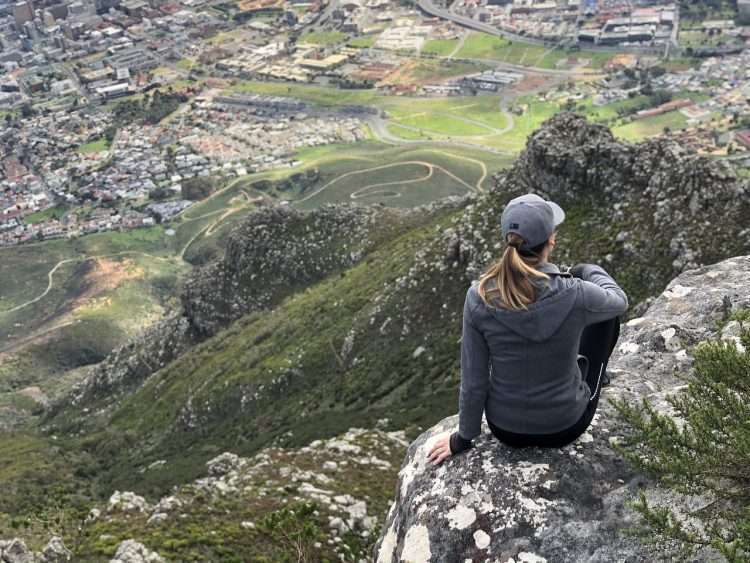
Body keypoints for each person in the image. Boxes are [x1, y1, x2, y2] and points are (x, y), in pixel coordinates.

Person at [427, 194, 628, 466]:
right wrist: (586, 270)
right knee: (606, 317)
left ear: (507, 240)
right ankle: (594, 378)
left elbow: (474, 381)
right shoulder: (575, 293)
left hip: (505, 429)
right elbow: (619, 301)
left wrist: (462, 439)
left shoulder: (479, 297)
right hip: (565, 425)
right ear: (551, 240)